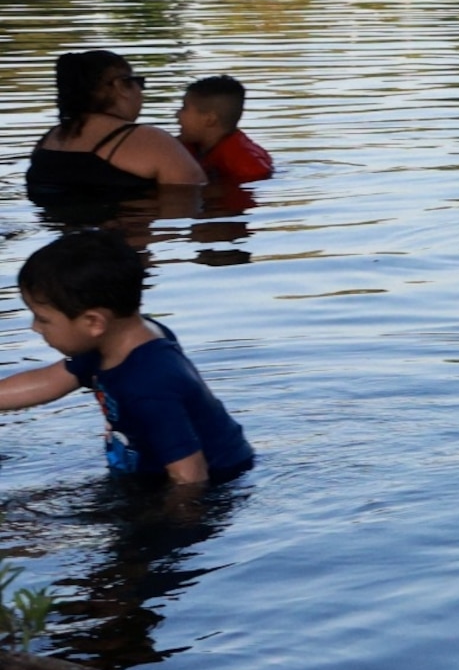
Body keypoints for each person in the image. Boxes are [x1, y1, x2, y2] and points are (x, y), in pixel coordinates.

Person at [6, 231, 256, 487]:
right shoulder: (116, 340)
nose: (35, 328)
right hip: (153, 470)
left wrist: (169, 521)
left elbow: (190, 475)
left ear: (93, 322)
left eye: (43, 319)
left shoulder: (148, 384)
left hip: (213, 481)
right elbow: (49, 381)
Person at [26, 51, 205, 207]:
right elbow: (193, 200)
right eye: (138, 82)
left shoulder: (48, 140)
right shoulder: (150, 140)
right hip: (122, 241)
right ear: (121, 87)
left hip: (59, 244)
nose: (140, 92)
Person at [174, 75, 275, 183]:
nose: (177, 114)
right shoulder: (191, 145)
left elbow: (257, 179)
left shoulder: (245, 162)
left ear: (210, 119)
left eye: (184, 108)